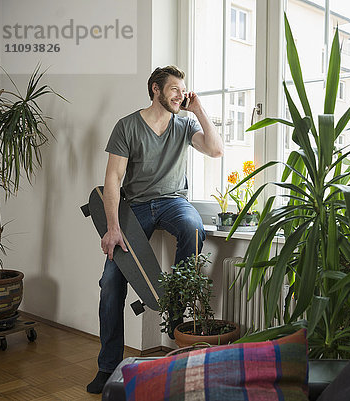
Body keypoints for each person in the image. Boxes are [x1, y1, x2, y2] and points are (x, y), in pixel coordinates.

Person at [86, 66, 223, 394]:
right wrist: (113, 228)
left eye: (183, 89)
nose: (180, 94)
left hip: (173, 201)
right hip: (134, 208)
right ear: (155, 89)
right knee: (110, 283)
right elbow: (113, 180)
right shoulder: (128, 127)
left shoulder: (185, 122)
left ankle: (173, 305)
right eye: (174, 89)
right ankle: (108, 366)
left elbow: (216, 150)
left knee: (192, 228)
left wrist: (199, 108)